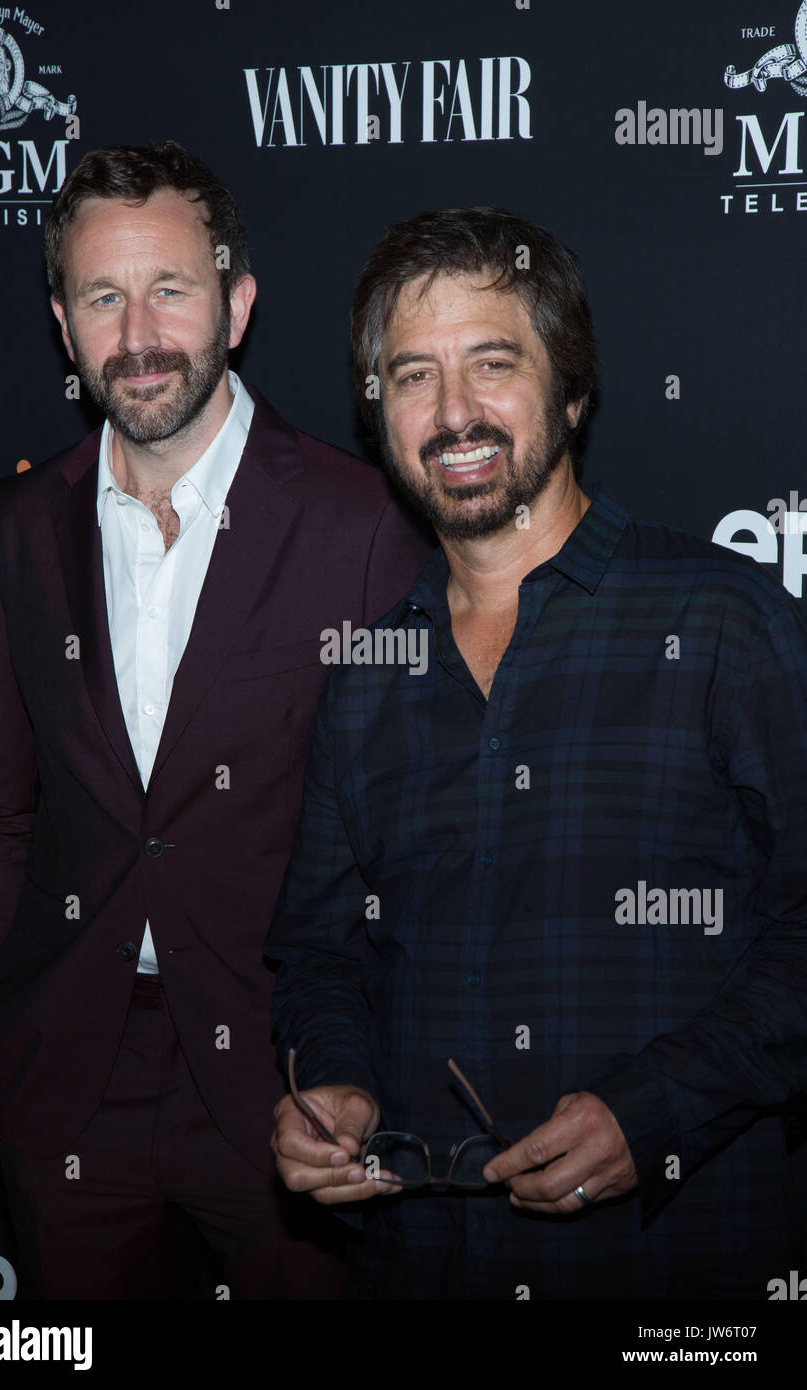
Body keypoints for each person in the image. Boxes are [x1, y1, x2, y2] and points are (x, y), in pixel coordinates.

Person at [267, 206, 807, 1300]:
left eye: (491, 364)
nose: (453, 411)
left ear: (570, 387)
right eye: (412, 375)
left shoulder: (721, 621)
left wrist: (650, 1110)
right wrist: (334, 1084)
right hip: (423, 1261)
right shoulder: (367, 675)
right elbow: (319, 952)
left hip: (673, 1261)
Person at [0, 140, 431, 1300]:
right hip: (66, 1070)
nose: (140, 331)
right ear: (64, 328)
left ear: (238, 302)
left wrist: (355, 1066)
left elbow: (409, 837)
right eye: (102, 297)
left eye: (169, 288)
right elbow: (0, 807)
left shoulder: (359, 520)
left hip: (286, 1084)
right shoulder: (20, 523)